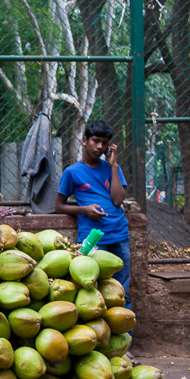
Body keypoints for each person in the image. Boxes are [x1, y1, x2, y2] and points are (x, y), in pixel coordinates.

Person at [54, 120, 132, 310]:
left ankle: (125, 336)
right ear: (85, 140)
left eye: (104, 143)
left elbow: (117, 200)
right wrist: (84, 210)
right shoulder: (72, 172)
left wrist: (113, 166)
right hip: (92, 236)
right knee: (92, 287)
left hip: (119, 234)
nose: (99, 147)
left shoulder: (112, 169)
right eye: (95, 141)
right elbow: (59, 206)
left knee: (122, 290)